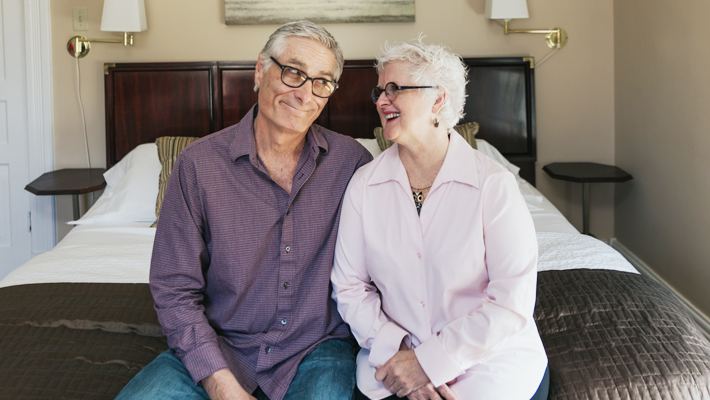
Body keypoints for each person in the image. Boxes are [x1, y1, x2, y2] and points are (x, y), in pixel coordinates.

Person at [116, 21, 373, 400]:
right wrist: (219, 383)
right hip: (221, 344)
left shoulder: (353, 163)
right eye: (294, 72)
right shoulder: (197, 165)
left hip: (318, 347)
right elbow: (174, 290)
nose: (305, 93)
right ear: (260, 70)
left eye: (322, 81)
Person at [331, 38, 549, 400]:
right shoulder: (364, 186)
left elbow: (511, 302)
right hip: (393, 362)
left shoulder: (494, 185)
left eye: (395, 89)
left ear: (438, 99)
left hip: (490, 363)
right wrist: (404, 357)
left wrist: (431, 362)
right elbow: (350, 287)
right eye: (380, 91)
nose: (382, 101)